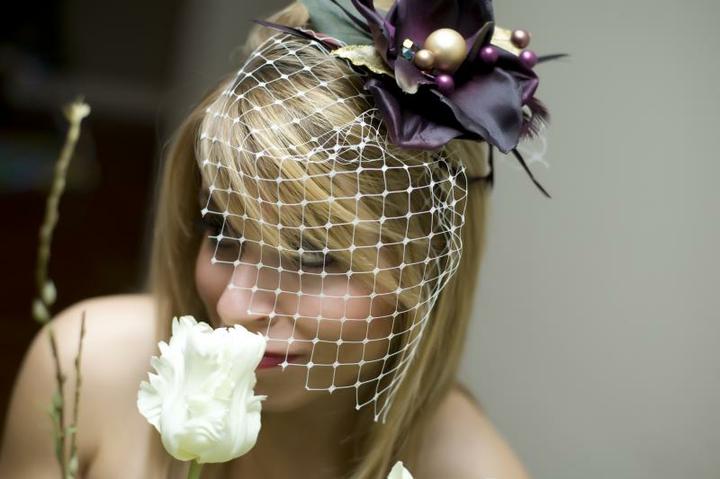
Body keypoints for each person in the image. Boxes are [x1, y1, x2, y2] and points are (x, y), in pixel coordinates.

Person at [0, 1, 545, 477]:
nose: (234, 306)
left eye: (314, 256)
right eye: (223, 232)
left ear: (429, 266)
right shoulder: (84, 367)